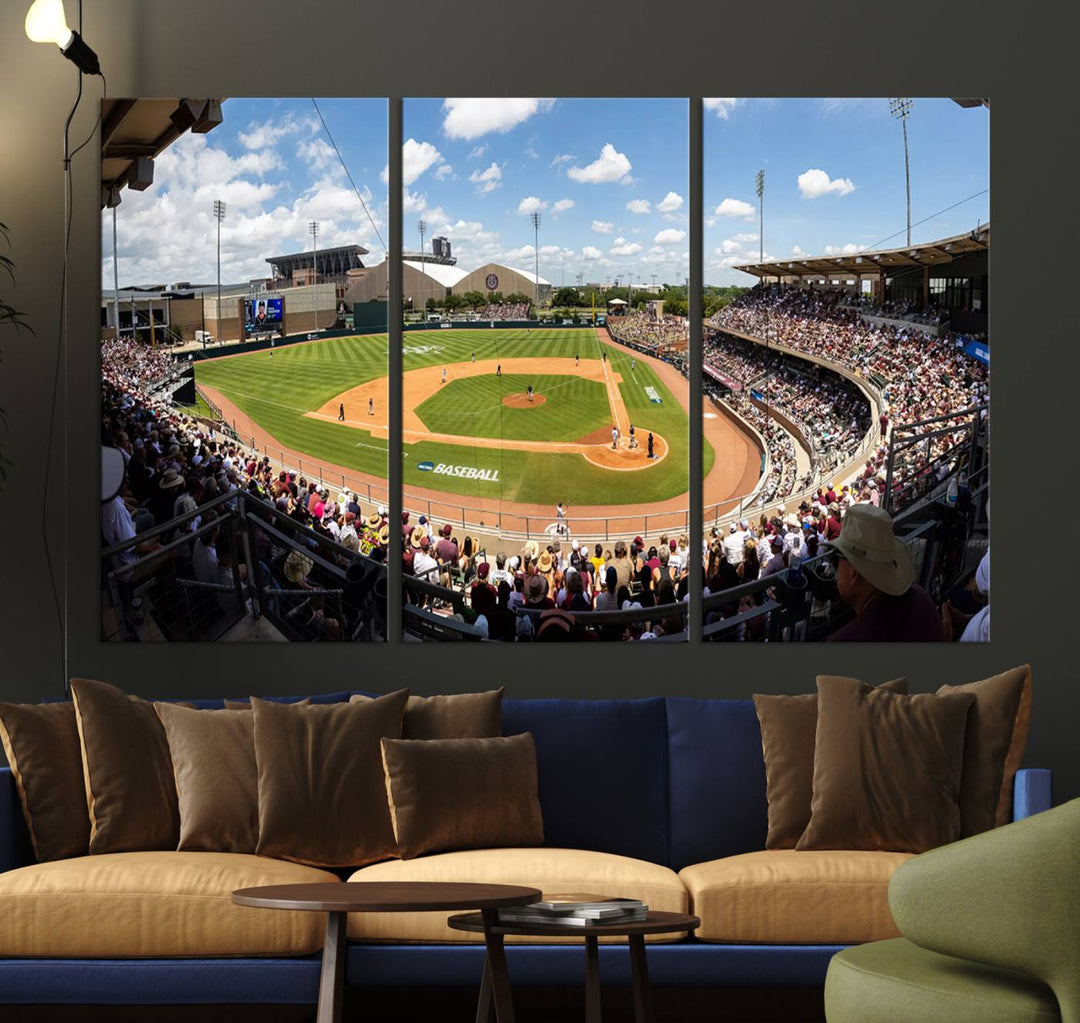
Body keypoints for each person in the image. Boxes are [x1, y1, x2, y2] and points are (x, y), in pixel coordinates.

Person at [824, 504, 944, 642]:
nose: (836, 569)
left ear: (853, 573)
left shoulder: (843, 643)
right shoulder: (921, 599)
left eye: (836, 560)